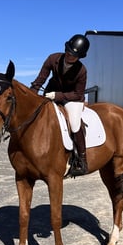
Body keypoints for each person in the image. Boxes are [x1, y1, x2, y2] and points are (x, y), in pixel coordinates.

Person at [31, 33, 90, 176]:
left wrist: (58, 96)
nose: (70, 57)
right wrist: (32, 94)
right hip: (51, 92)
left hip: (72, 98)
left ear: (80, 57)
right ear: (66, 49)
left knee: (75, 123)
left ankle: (82, 159)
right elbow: (40, 80)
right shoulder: (53, 59)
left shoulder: (82, 71)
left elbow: (78, 94)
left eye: (74, 56)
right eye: (69, 53)